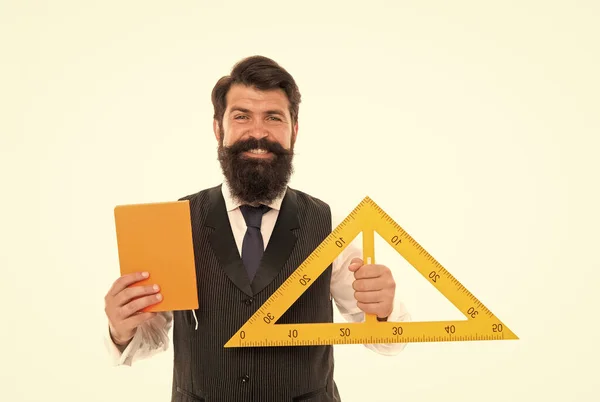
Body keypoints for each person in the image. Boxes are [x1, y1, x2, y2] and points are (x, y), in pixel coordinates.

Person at [104, 55, 411, 401]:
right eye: (242, 116)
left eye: (273, 118)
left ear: (294, 131)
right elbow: (150, 340)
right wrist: (121, 329)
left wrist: (384, 311)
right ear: (219, 129)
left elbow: (386, 341)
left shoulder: (329, 226)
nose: (258, 133)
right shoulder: (174, 220)